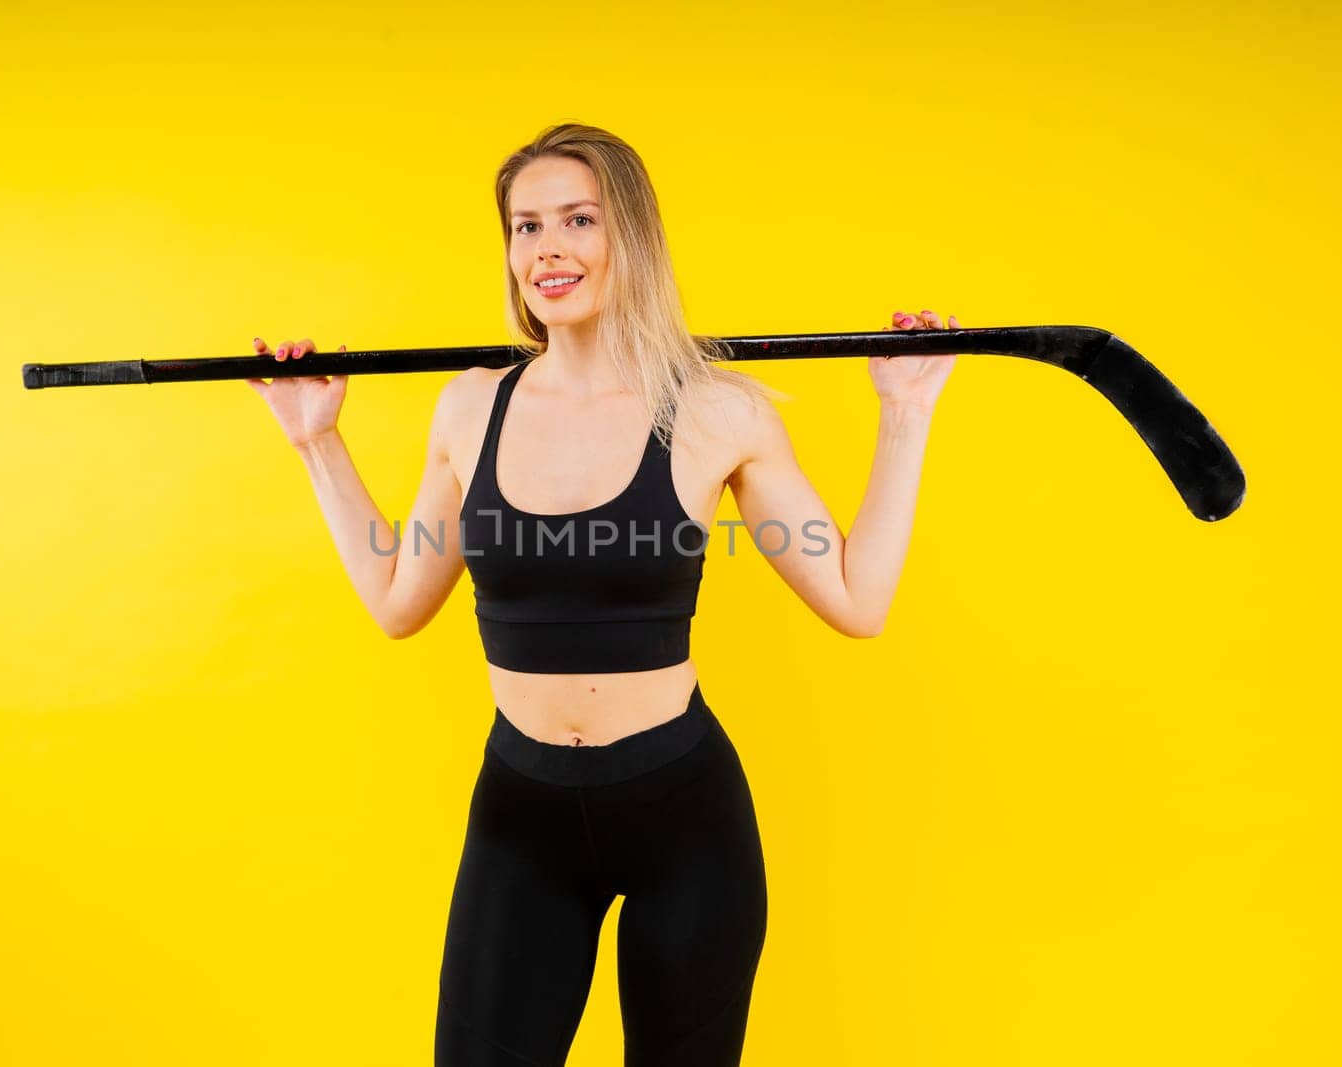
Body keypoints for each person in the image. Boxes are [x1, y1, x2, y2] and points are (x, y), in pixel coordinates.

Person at [245, 123, 958, 1066]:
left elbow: (857, 600)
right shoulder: (470, 406)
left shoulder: (714, 412)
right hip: (522, 815)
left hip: (683, 817)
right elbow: (395, 599)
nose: (548, 248)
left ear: (631, 235)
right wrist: (315, 440)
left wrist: (906, 413)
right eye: (525, 225)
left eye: (578, 219)